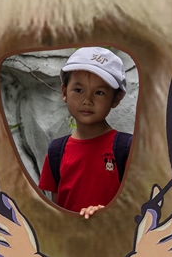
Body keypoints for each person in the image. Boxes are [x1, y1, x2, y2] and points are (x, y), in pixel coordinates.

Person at [37, 47, 134, 218]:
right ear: (64, 91)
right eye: (79, 90)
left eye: (99, 92)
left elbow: (136, 208)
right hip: (69, 243)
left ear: (116, 99)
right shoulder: (56, 152)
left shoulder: (126, 149)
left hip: (112, 241)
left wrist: (105, 214)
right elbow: (58, 210)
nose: (87, 101)